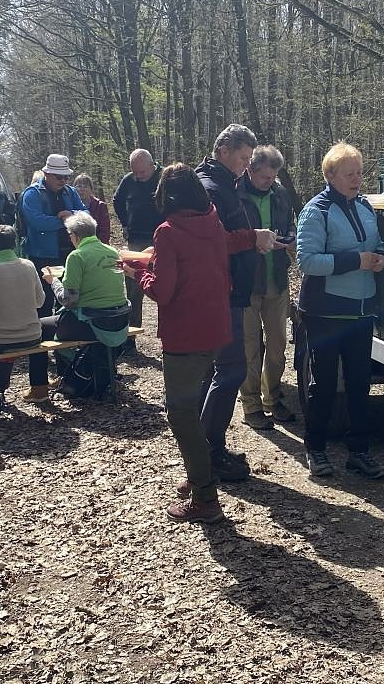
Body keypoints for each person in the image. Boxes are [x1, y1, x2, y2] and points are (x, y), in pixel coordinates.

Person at [125, 164, 236, 523]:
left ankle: (205, 498)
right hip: (216, 329)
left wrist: (139, 273)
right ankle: (198, 472)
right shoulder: (213, 221)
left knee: (181, 414)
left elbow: (163, 291)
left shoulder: (168, 231)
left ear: (166, 196)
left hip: (186, 336)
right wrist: (154, 261)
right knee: (192, 405)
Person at [297, 142, 384, 480]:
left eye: (359, 173)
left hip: (361, 311)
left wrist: (381, 259)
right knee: (323, 385)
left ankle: (359, 453)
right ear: (331, 175)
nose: (357, 179)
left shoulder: (364, 206)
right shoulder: (316, 211)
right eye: (349, 174)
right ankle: (316, 449)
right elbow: (307, 261)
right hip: (324, 312)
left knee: (359, 385)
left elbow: (377, 244)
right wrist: (356, 261)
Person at [194, 124, 271, 482]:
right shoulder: (210, 188)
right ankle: (208, 453)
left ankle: (205, 447)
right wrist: (253, 238)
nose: (245, 165)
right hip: (221, 294)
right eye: (242, 158)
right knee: (231, 370)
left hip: (230, 290)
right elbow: (213, 242)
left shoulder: (225, 184)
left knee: (217, 371)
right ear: (223, 151)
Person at [237, 145, 296, 429]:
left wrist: (290, 238)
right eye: (264, 177)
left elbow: (290, 224)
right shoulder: (234, 194)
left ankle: (272, 397)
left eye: (273, 177)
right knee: (249, 347)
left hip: (277, 279)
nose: (269, 182)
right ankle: (251, 405)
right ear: (250, 169)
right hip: (247, 282)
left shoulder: (280, 193)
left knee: (277, 346)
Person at [43, 211, 131, 390]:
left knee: (41, 327)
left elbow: (69, 301)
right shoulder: (113, 252)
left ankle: (63, 380)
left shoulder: (77, 256)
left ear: (75, 235)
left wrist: (53, 282)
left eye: (69, 235)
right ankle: (88, 374)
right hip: (119, 321)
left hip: (93, 324)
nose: (70, 238)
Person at [0, 224, 47, 403]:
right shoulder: (28, 265)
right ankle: (0, 389)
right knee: (9, 335)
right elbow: (40, 301)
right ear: (14, 246)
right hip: (31, 336)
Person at [17, 154, 86, 329]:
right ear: (47, 174)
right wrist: (66, 221)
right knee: (43, 302)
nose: (63, 180)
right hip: (43, 257)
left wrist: (71, 215)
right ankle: (41, 341)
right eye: (58, 176)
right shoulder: (32, 194)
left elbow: (86, 214)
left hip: (69, 255)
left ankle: (66, 339)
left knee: (70, 299)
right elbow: (37, 221)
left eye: (66, 177)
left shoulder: (71, 192)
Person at [112, 149, 163, 348]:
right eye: (135, 172)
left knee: (165, 287)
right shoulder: (128, 180)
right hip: (135, 240)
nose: (139, 176)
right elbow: (117, 200)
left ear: (152, 165)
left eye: (142, 172)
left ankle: (167, 338)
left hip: (161, 240)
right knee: (133, 290)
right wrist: (125, 223)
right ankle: (130, 338)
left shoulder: (164, 178)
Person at [73, 174, 112, 245]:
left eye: (85, 186)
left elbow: (105, 230)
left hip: (96, 244)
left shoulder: (100, 206)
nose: (82, 189)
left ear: (91, 189)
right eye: (79, 186)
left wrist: (98, 245)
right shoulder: (70, 205)